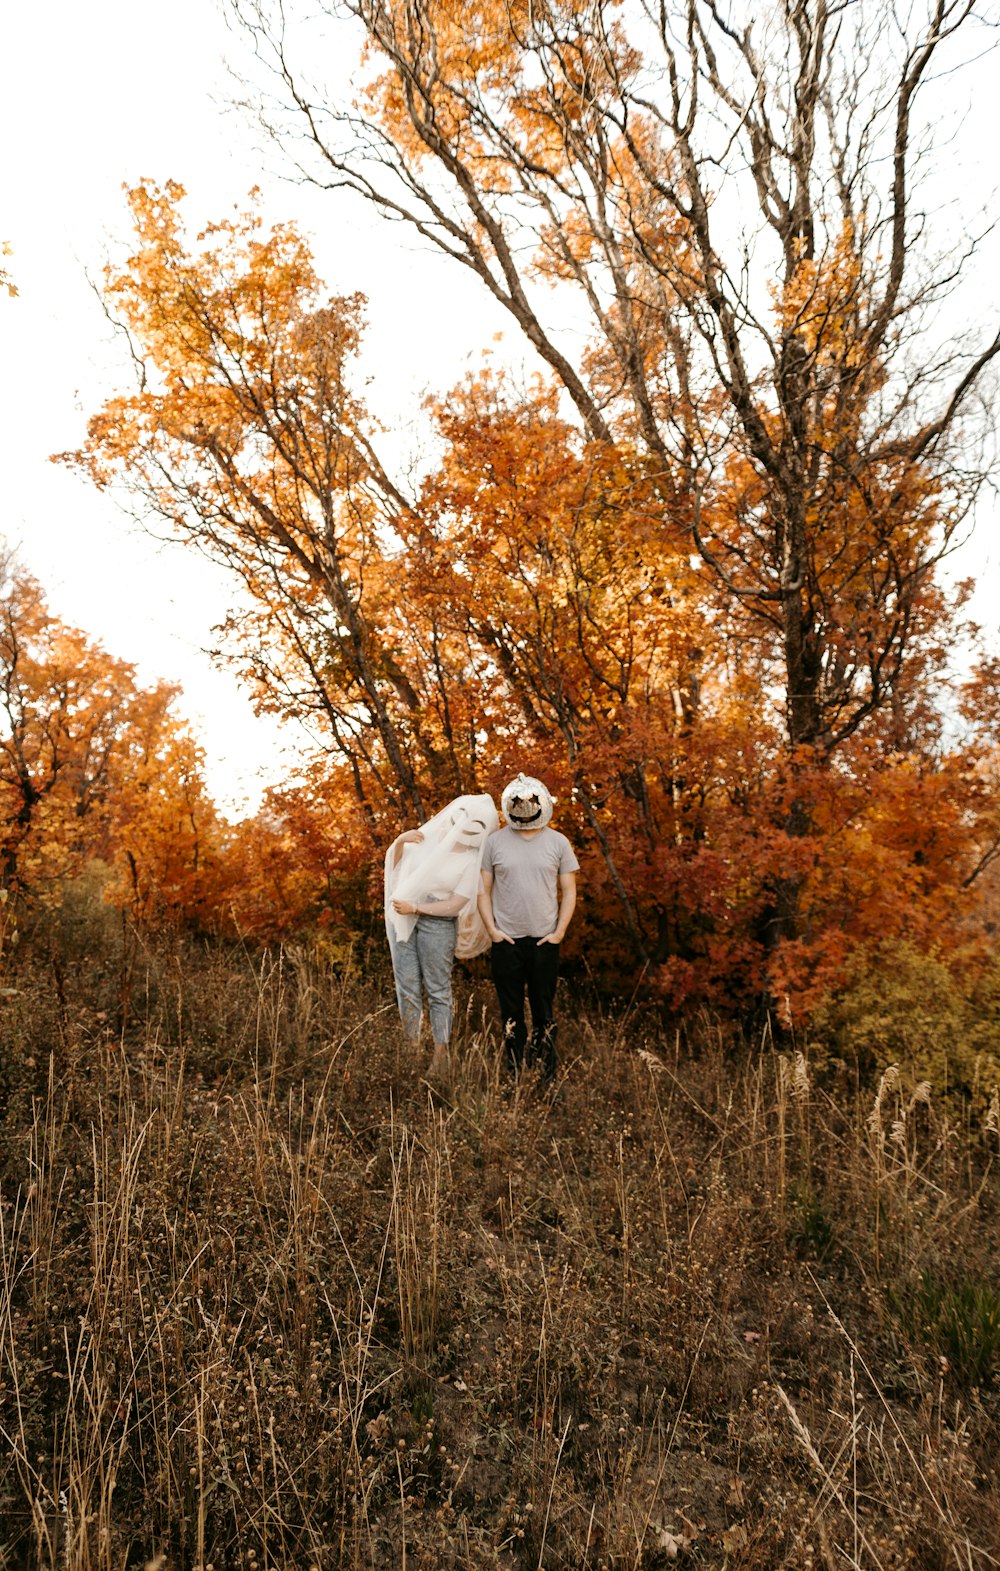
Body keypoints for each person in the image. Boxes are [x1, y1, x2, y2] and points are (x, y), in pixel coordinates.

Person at [384, 793, 499, 1080]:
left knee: (438, 990)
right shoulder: (427, 839)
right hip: (402, 918)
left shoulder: (473, 860)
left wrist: (418, 908)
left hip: (438, 924)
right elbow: (397, 869)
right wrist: (400, 841)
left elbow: (456, 904)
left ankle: (440, 1056)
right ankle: (411, 1048)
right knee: (406, 986)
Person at [477, 772, 579, 1079]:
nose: (525, 807)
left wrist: (559, 933)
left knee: (544, 1012)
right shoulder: (494, 842)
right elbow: (482, 888)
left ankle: (547, 1076)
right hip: (506, 942)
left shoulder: (558, 842)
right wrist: (492, 931)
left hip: (543, 942)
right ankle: (514, 1074)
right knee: (510, 1013)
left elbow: (570, 890)